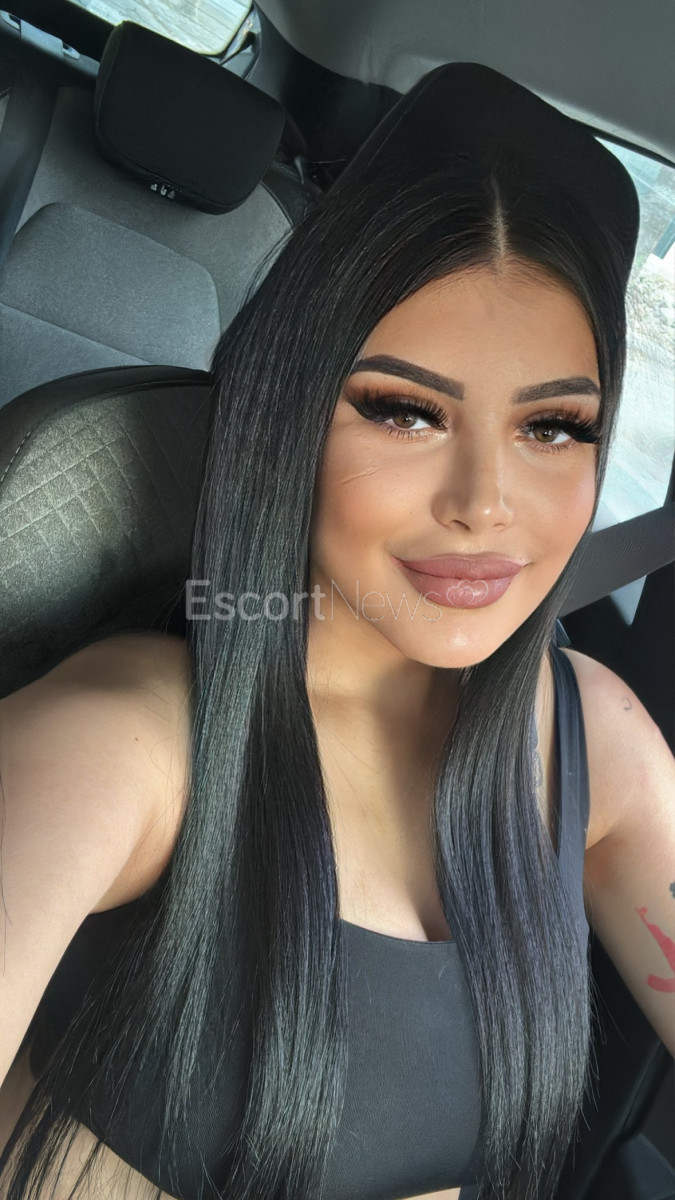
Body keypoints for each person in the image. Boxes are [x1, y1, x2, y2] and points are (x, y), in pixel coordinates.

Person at [1, 61, 673, 1200]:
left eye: (553, 428)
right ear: (293, 406)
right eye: (405, 411)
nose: (485, 504)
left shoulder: (588, 740)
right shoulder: (124, 746)